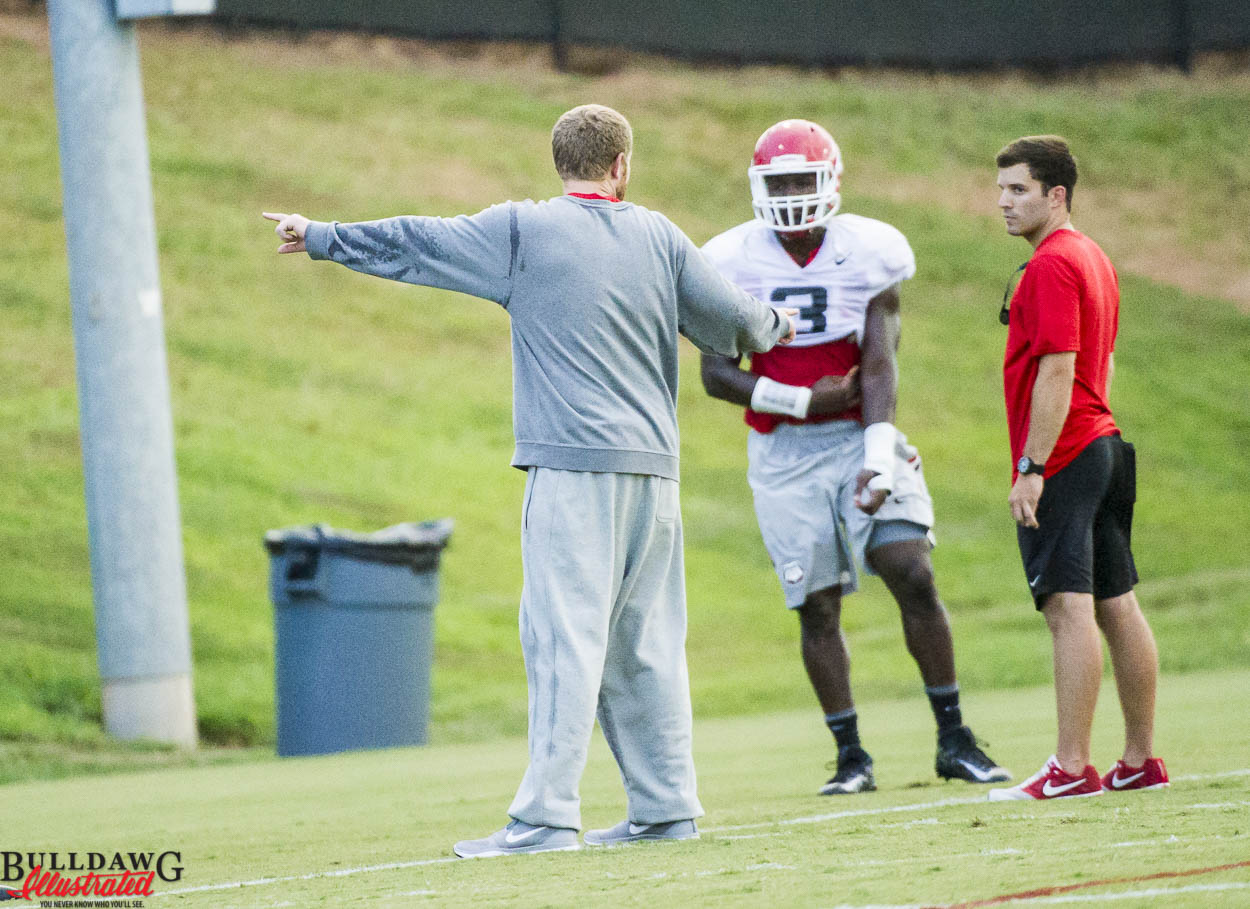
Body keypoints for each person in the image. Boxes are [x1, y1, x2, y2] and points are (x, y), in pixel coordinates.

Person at [263, 104, 797, 855]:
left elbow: (417, 242)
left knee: (562, 640)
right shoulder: (660, 236)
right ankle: (666, 807)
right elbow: (738, 325)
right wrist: (780, 325)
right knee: (642, 645)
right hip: (655, 480)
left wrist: (319, 236)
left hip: (573, 471)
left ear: (561, 164)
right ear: (622, 166)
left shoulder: (522, 230)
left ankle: (546, 818)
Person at [699, 119, 1009, 795]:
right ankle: (851, 754)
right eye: (776, 181)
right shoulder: (728, 259)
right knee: (817, 605)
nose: (788, 194)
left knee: (911, 569)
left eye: (800, 180)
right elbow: (716, 375)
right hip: (784, 449)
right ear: (757, 186)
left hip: (859, 434)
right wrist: (803, 401)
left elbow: (879, 364)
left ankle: (954, 738)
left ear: (831, 182)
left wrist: (877, 454)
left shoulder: (870, 250)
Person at [987, 135, 1168, 801]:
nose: (1004, 202)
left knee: (1070, 607)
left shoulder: (1054, 265)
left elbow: (1058, 368)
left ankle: (1069, 767)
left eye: (1019, 189)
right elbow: (1104, 362)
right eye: (1001, 188)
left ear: (1055, 194)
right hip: (1104, 443)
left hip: (1067, 452)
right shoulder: (1092, 255)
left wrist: (1033, 463)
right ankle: (1139, 760)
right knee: (1117, 603)